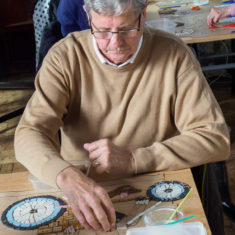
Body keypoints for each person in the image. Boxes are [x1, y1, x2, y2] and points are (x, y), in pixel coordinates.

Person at [15, 0, 230, 232]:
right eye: (103, 31)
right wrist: (66, 177)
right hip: (82, 187)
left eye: (126, 29)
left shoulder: (175, 54)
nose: (115, 44)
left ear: (143, 15)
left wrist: (134, 160)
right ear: (88, 16)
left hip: (157, 187)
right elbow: (30, 132)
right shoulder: (65, 56)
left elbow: (214, 139)